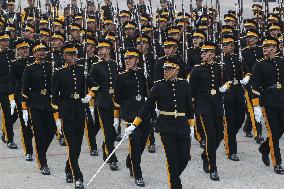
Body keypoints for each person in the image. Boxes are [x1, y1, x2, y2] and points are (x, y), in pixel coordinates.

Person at [125, 58, 193, 189]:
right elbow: (147, 106)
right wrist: (135, 124)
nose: (165, 72)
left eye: (168, 69)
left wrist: (191, 126)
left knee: (185, 158)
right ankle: (175, 184)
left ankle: (173, 177)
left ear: (176, 70)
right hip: (166, 128)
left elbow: (189, 107)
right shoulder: (158, 86)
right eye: (164, 69)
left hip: (183, 126)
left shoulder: (184, 85)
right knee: (172, 161)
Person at [188, 41, 229, 181]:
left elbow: (227, 81)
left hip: (217, 106)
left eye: (205, 52)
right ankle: (213, 168)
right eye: (202, 52)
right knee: (210, 137)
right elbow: (190, 90)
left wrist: (225, 86)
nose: (202, 54)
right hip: (203, 107)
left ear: (212, 54)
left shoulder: (219, 68)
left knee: (219, 135)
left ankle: (205, 155)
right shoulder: (197, 70)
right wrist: (192, 107)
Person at [114, 48, 150, 187]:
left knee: (142, 144)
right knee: (135, 144)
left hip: (143, 114)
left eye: (130, 58)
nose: (127, 61)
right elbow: (117, 100)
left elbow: (149, 92)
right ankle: (137, 173)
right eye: (125, 59)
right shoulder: (121, 77)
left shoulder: (143, 74)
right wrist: (116, 118)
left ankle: (130, 160)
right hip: (130, 115)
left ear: (137, 60)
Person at [52, 43, 86, 188]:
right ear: (64, 56)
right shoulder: (58, 73)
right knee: (72, 145)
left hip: (79, 110)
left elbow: (94, 84)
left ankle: (68, 168)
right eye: (70, 55)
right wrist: (57, 118)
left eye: (74, 54)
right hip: (66, 112)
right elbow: (54, 98)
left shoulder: (81, 70)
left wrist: (89, 96)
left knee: (77, 146)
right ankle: (78, 176)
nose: (73, 57)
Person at [81, 39, 119, 170]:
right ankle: (111, 158)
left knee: (112, 131)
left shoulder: (115, 64)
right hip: (102, 101)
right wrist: (89, 95)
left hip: (114, 101)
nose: (100, 51)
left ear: (108, 50)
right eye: (99, 49)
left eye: (102, 49)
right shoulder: (96, 67)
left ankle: (102, 146)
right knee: (108, 131)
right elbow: (93, 85)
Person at [22, 42, 56, 175]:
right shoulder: (29, 69)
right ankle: (43, 163)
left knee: (52, 130)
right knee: (39, 134)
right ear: (34, 53)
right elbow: (24, 90)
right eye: (38, 51)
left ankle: (40, 151)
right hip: (35, 104)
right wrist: (25, 108)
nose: (42, 53)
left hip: (48, 104)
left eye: (43, 50)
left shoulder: (50, 66)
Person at [252, 36, 284, 175]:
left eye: (268, 46)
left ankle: (265, 148)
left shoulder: (282, 61)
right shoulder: (259, 64)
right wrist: (256, 106)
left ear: (275, 48)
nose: (265, 48)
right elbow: (254, 86)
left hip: (282, 99)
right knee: (273, 132)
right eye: (264, 46)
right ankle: (277, 163)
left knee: (280, 131)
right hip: (268, 101)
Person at [9, 38, 33, 160]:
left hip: (35, 97)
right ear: (17, 51)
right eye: (22, 49)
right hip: (21, 97)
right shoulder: (14, 64)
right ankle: (28, 151)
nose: (25, 50)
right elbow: (12, 83)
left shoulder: (34, 61)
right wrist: (12, 98)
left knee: (36, 125)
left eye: (26, 48)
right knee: (25, 125)